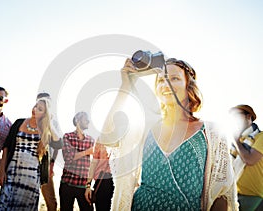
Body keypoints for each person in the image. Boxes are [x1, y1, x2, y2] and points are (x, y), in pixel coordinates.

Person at [99, 57, 238, 210]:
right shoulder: (145, 128)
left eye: (174, 78)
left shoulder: (212, 133)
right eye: (161, 80)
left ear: (189, 86)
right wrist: (125, 86)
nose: (166, 84)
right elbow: (107, 137)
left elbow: (221, 195)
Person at [0, 97, 61, 210]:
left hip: (31, 178)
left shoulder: (45, 131)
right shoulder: (19, 123)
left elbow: (59, 144)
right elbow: (6, 147)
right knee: (5, 206)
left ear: (45, 114)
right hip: (12, 173)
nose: (35, 109)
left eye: (40, 109)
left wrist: (48, 123)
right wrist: (1, 171)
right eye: (35, 106)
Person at [229, 104, 263, 211]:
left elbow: (250, 159)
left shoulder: (260, 136)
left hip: (255, 198)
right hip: (233, 195)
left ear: (248, 117)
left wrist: (235, 140)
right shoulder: (235, 144)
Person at [60, 111, 94, 211]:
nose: (88, 121)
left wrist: (89, 185)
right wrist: (87, 152)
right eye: (85, 119)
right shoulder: (67, 137)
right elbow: (68, 158)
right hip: (67, 184)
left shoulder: (91, 140)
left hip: (83, 186)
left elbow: (93, 164)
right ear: (77, 121)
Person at [37, 92, 63, 211]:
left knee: (52, 203)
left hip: (45, 165)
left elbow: (58, 145)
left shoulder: (54, 123)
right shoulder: (30, 121)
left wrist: (52, 164)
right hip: (31, 164)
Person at [84, 140, 114, 211]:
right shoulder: (101, 139)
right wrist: (88, 185)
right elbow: (94, 163)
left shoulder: (124, 138)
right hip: (102, 182)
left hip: (118, 182)